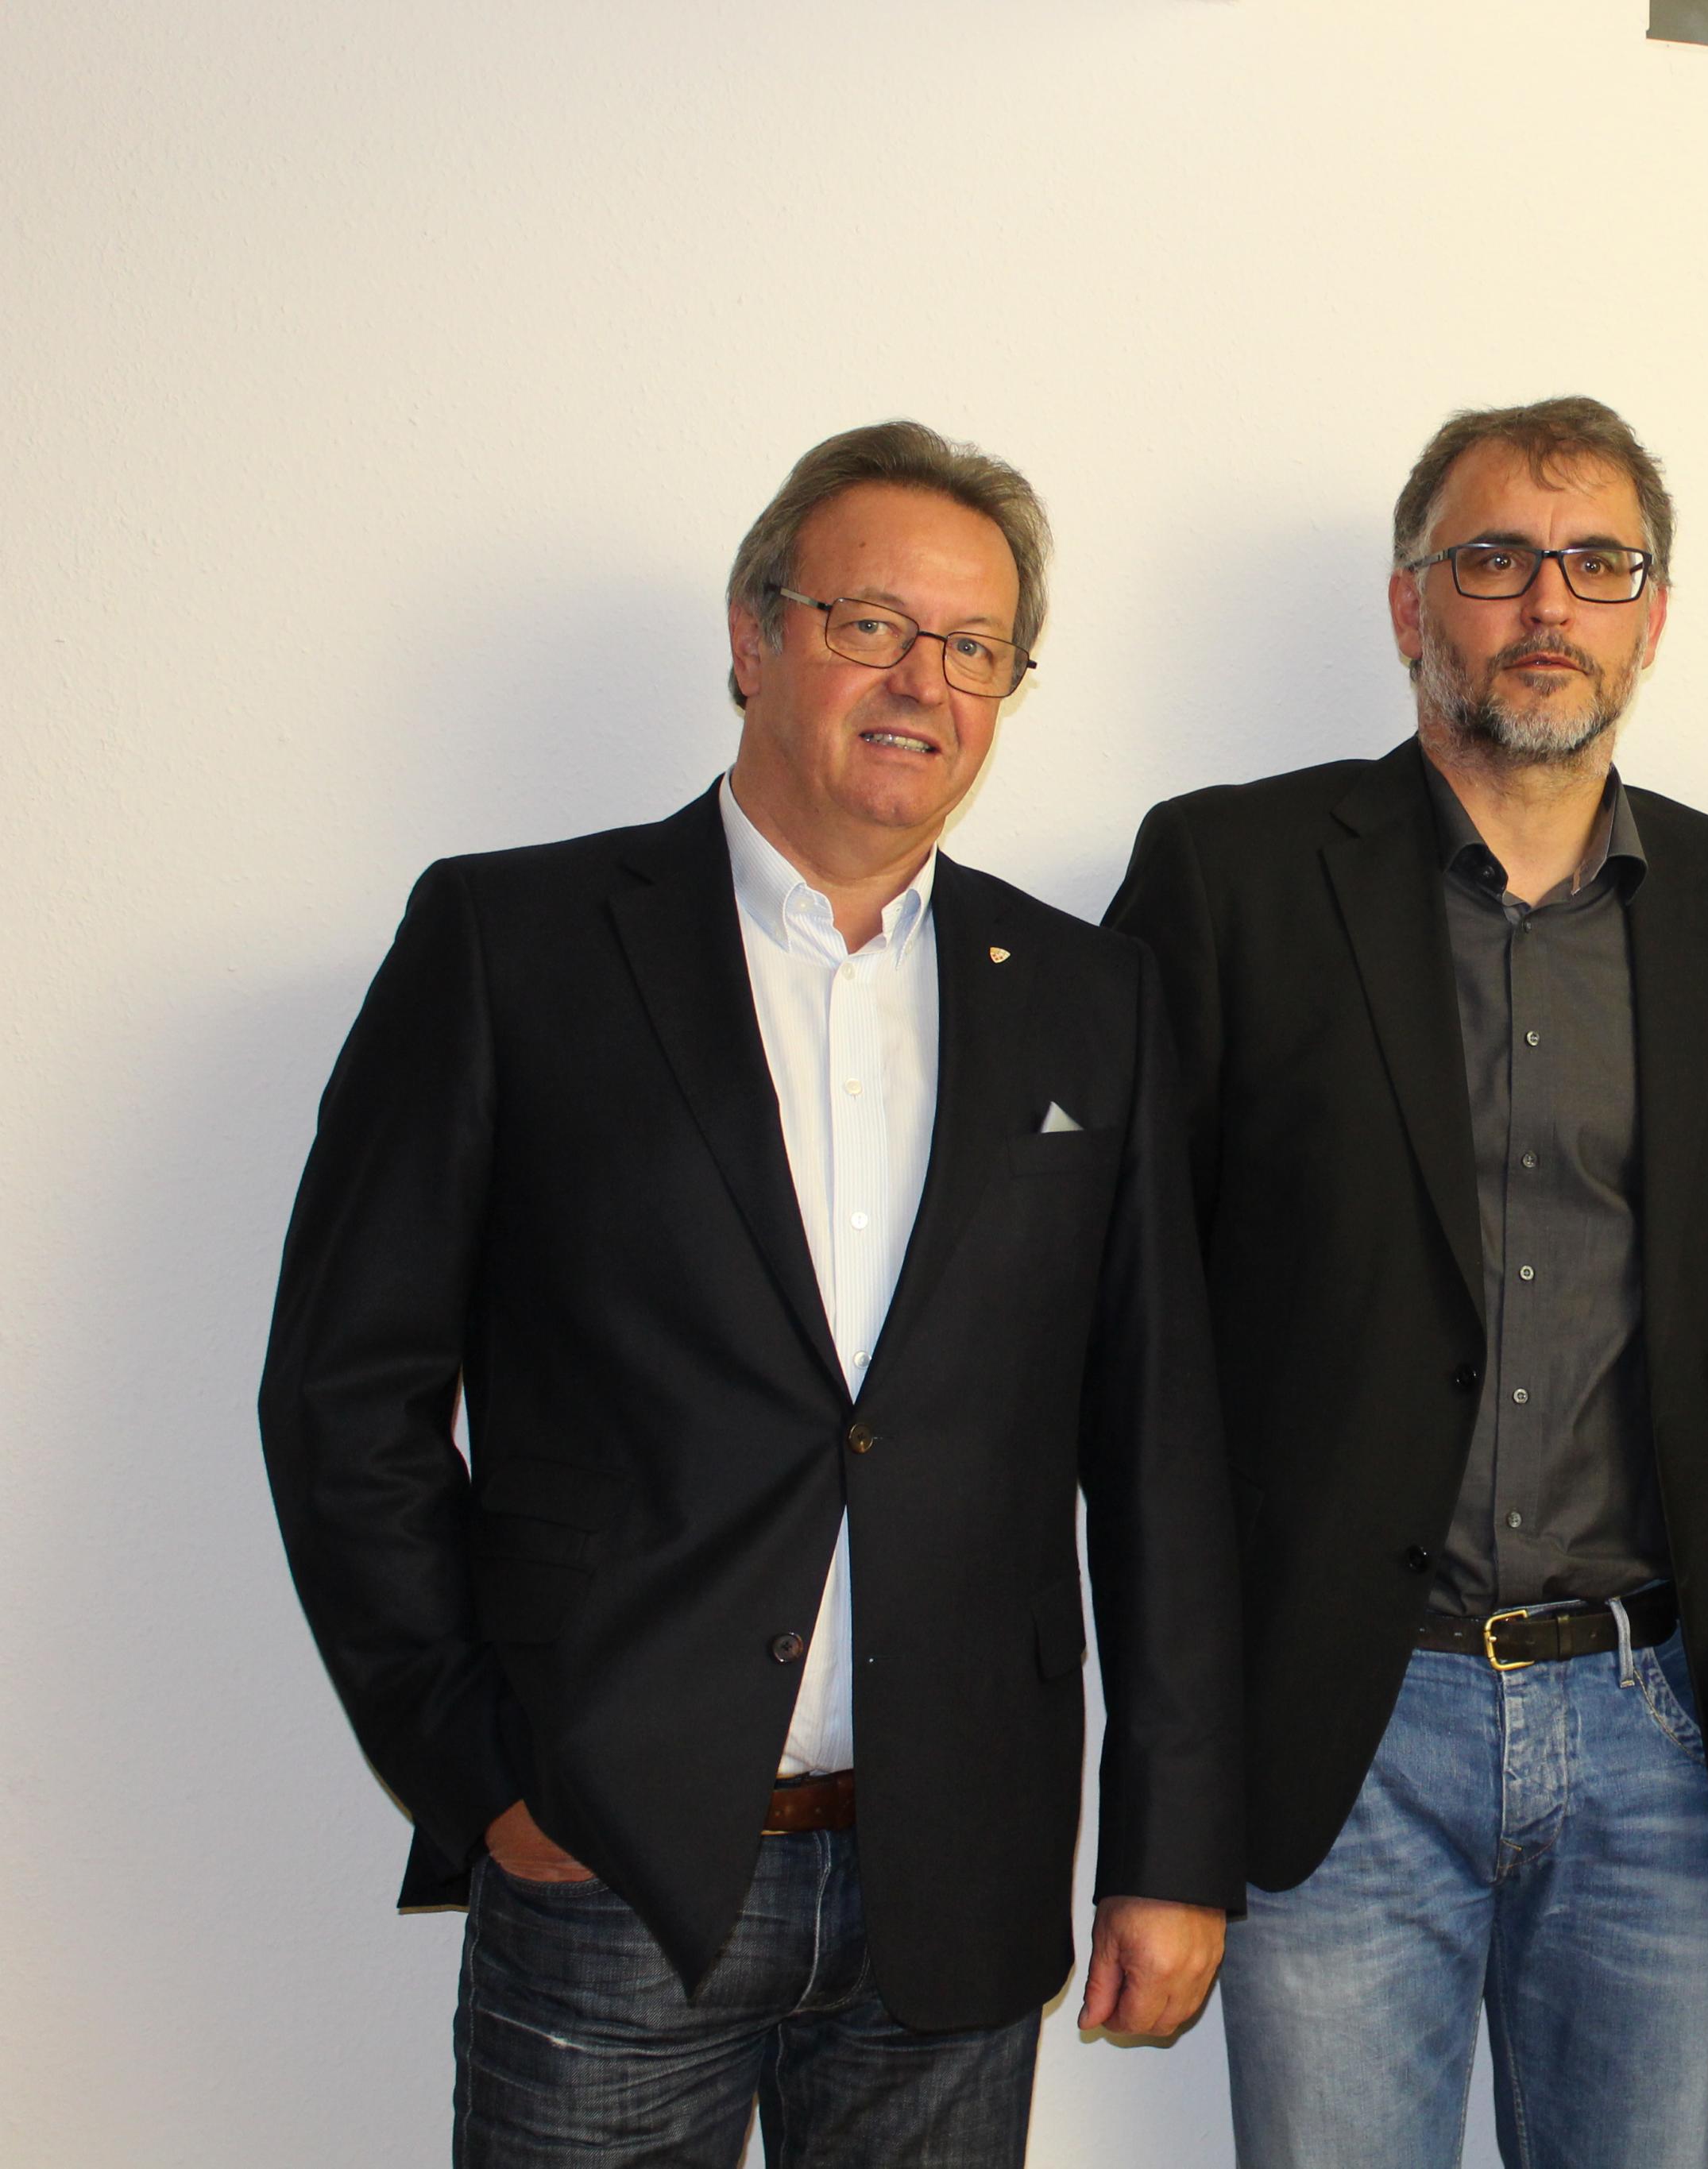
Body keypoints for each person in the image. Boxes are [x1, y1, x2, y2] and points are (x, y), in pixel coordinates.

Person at [259, 421, 1242, 2167]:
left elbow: (1158, 1448)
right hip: (613, 1867)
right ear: (752, 635)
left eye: (974, 647)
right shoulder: (513, 945)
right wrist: (482, 1771)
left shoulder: (1092, 999)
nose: (922, 681)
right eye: (871, 624)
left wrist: (1170, 1850)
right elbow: (347, 1397)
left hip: (958, 1875)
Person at [1103, 395, 1708, 2169]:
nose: (1547, 604)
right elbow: (1134, 1358)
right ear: (1409, 601)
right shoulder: (1229, 878)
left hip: (1657, 1734)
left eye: (1598, 564)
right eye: (1495, 558)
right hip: (1346, 1733)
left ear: (1654, 615)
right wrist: (1165, 1815)